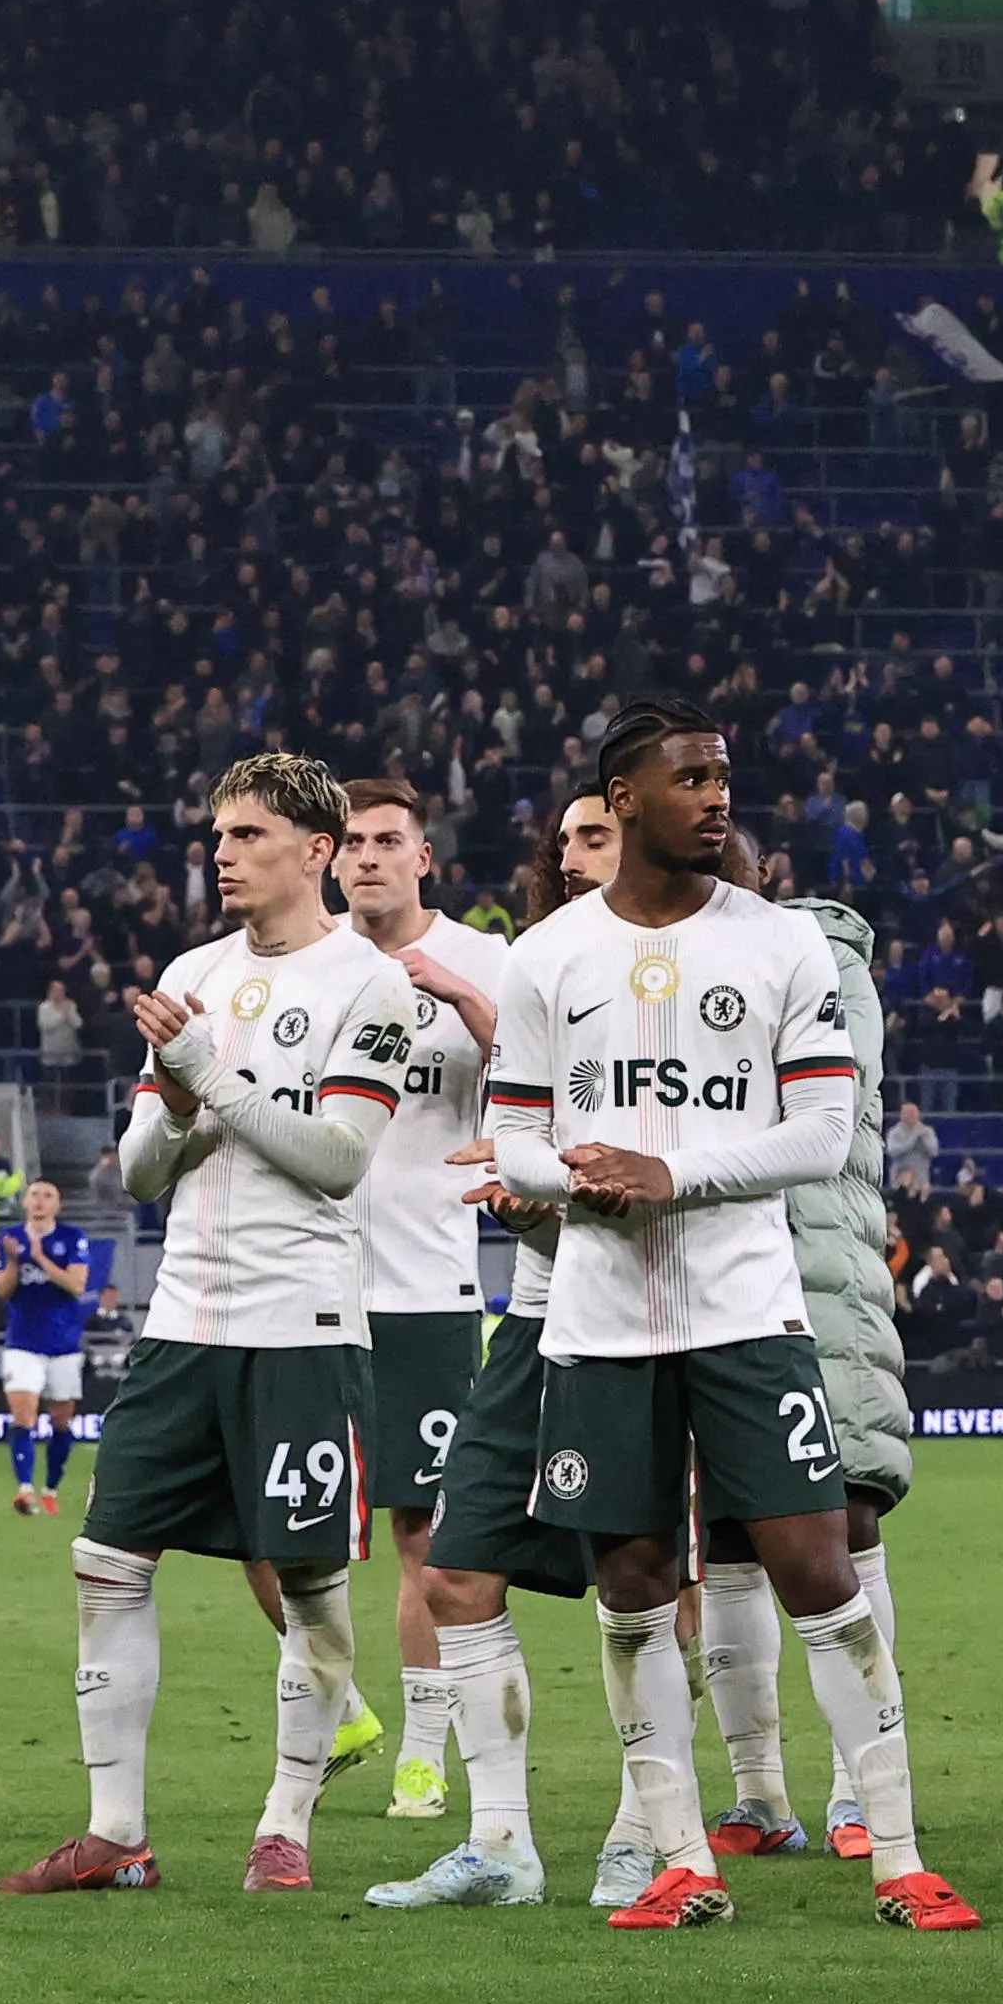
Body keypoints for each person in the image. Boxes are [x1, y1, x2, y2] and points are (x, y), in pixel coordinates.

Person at [482, 697, 976, 1934]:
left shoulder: (779, 946)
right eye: (691, 778)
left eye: (722, 777)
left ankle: (899, 1855)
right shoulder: (547, 956)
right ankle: (678, 1858)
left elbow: (817, 1134)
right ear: (626, 797)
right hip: (597, 1324)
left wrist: (669, 1174)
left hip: (750, 1311)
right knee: (634, 1584)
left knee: (817, 1564)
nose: (717, 798)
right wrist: (573, 1180)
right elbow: (513, 1140)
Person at [0, 754, 419, 1898]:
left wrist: (209, 1077)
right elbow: (139, 1174)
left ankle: (285, 1820)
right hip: (184, 1320)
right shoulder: (194, 972)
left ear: (315, 850)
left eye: (245, 835)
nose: (221, 853)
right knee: (104, 1563)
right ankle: (116, 1832)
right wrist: (176, 1103)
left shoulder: (373, 989)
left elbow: (336, 1162)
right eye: (217, 835)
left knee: (311, 1582)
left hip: (304, 1326)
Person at [377, 796, 673, 1914]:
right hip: (539, 1310)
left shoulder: (688, 978)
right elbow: (526, 1145)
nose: (571, 854)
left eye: (594, 834)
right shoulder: (547, 973)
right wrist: (525, 1196)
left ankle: (647, 1829)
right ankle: (499, 1844)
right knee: (455, 1570)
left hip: (651, 1316)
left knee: (644, 1587)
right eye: (562, 842)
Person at [703, 886, 923, 1867]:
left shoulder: (828, 959)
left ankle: (859, 1791)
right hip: (711, 1275)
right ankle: (757, 1793)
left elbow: (814, 1095)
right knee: (724, 1536)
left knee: (844, 1511)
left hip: (820, 1277)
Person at [324, 778, 509, 1827]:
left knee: (420, 1538)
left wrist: (464, 1002)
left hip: (431, 1293)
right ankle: (344, 1707)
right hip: (311, 1288)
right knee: (277, 1533)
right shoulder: (312, 964)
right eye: (351, 842)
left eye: (388, 840)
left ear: (424, 856)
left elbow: (544, 1081)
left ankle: (424, 1755)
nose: (369, 859)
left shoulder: (487, 961)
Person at [0, 1179, 98, 1517]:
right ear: (25, 1202)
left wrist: (40, 1259)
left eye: (48, 1195)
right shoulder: (10, 1238)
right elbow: (3, 1291)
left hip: (65, 1344)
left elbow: (77, 1285)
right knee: (24, 1414)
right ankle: (24, 1490)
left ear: (58, 1205)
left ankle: (50, 1487)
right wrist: (13, 1262)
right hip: (23, 1342)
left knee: (61, 1421)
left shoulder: (71, 1237)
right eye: (35, 1194)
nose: (40, 1201)